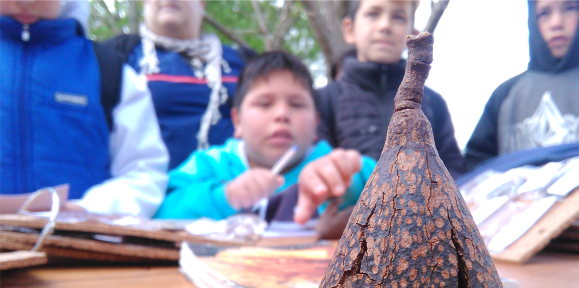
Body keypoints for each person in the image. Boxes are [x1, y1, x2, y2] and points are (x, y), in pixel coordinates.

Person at [153, 51, 376, 223]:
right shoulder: (209, 165)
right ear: (237, 121)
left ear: (316, 123)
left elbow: (388, 186)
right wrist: (224, 197)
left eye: (297, 104)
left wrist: (348, 183)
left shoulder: (329, 163)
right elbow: (157, 211)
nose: (281, 114)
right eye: (264, 103)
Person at [0, 0, 169, 217]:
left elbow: (144, 171)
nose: (27, 1)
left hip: (78, 244)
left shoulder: (109, 70)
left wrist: (87, 210)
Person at [316, 0, 467, 180]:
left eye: (398, 17)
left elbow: (454, 168)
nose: (385, 25)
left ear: (413, 35)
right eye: (373, 14)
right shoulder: (322, 100)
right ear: (349, 29)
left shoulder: (434, 102)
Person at [465, 0, 579, 169]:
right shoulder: (505, 95)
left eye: (569, 8)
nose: (556, 23)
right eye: (544, 13)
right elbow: (475, 167)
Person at [104, 0, 247, 170]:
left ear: (202, 3)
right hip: (144, 192)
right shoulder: (114, 58)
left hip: (231, 189)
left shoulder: (244, 63)